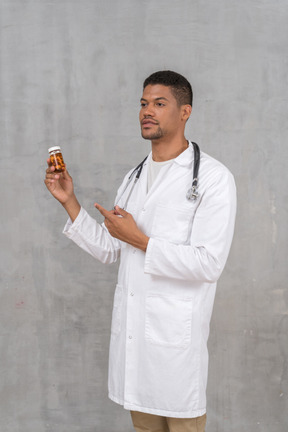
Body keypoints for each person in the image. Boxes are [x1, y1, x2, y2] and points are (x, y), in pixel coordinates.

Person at [44, 70, 236, 432]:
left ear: (185, 112)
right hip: (138, 353)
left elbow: (209, 264)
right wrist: (70, 202)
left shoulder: (212, 178)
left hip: (176, 351)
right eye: (144, 103)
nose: (147, 111)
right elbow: (109, 249)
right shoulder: (133, 179)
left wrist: (142, 241)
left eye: (160, 103)